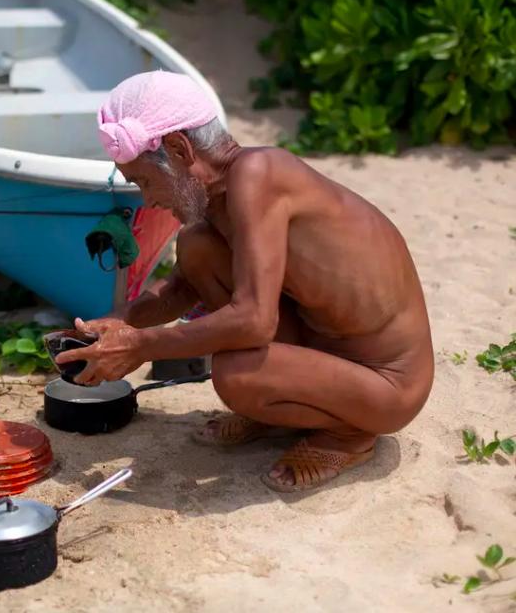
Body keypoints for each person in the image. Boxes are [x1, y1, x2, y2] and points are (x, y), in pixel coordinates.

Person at [54, 71, 434, 492]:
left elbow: (254, 321)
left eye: (145, 180)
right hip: (327, 350)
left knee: (236, 374)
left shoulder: (259, 174)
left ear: (180, 150)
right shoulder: (220, 199)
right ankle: (279, 409)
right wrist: (119, 322)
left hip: (386, 384)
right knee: (196, 245)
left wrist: (141, 346)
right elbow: (182, 288)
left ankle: (350, 435)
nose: (149, 199)